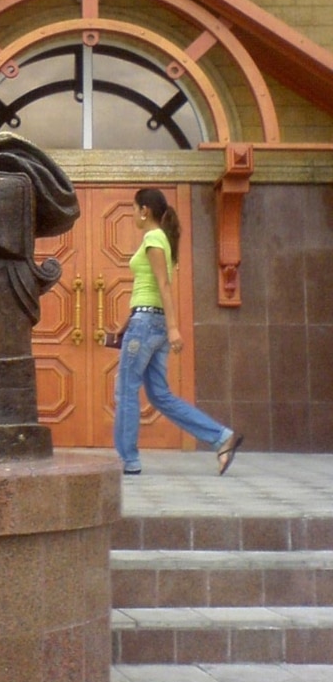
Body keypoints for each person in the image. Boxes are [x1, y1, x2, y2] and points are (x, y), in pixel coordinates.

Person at [113, 187, 244, 476]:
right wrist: (129, 324)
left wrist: (173, 328)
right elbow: (150, 288)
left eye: (134, 208)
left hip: (148, 325)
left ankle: (127, 460)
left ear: (144, 210)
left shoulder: (153, 238)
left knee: (126, 389)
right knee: (160, 395)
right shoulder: (162, 238)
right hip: (149, 322)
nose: (133, 214)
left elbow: (163, 285)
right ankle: (221, 437)